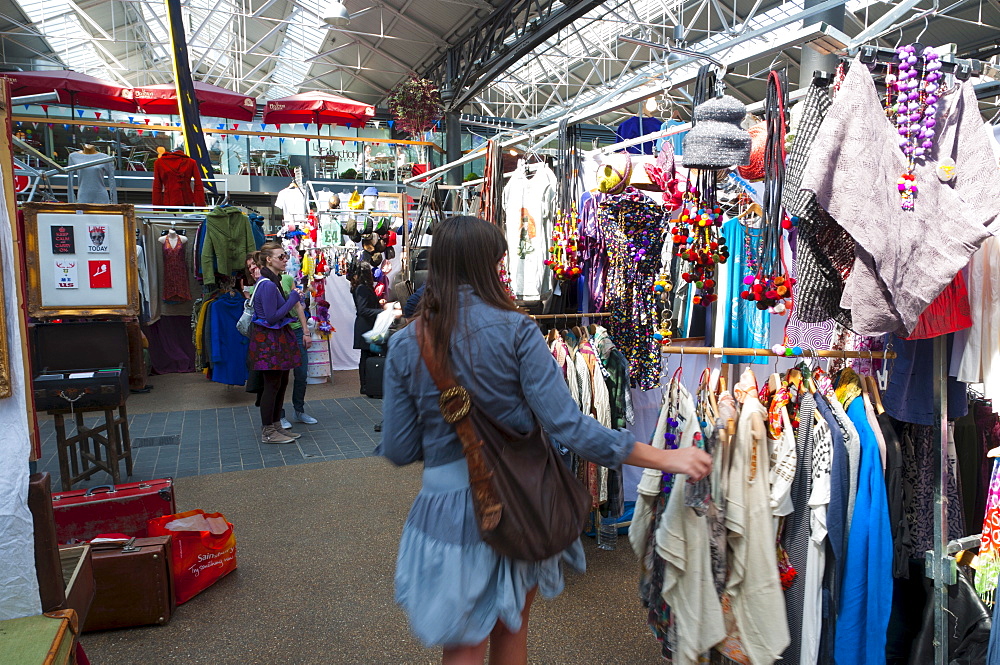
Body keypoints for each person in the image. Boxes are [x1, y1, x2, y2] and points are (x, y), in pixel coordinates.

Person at [377, 216, 712, 665]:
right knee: (512, 629)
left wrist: (446, 429)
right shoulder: (517, 331)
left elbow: (399, 449)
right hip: (517, 501)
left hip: (444, 511)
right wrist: (668, 458)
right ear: (489, 265)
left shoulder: (405, 344)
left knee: (462, 644)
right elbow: (570, 427)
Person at [247, 242, 303, 444]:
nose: (285, 259)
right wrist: (293, 298)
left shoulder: (273, 281)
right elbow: (272, 317)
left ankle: (275, 425)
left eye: (285, 256)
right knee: (272, 385)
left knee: (279, 383)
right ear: (268, 259)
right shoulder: (268, 284)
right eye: (281, 257)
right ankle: (268, 431)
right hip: (270, 340)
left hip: (274, 339)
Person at [348, 261, 392, 395]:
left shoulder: (362, 287)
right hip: (365, 325)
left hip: (367, 325)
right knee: (366, 355)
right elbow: (363, 310)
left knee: (368, 355)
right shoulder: (362, 288)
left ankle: (368, 384)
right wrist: (381, 312)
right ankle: (366, 385)